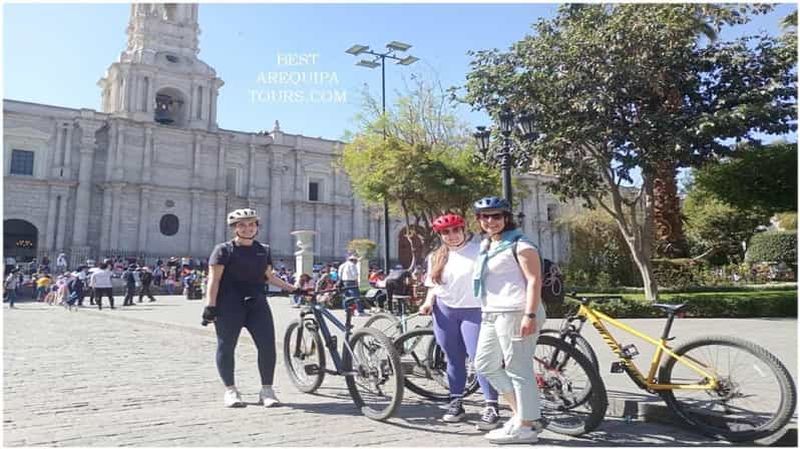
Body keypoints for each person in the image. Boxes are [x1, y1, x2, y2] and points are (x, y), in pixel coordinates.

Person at [203, 208, 299, 408]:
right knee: (226, 346)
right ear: (234, 228)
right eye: (242, 225)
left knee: (267, 346)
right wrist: (210, 306)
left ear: (257, 227)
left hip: (257, 303)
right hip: (229, 304)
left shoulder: (263, 249)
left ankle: (267, 390)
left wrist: (294, 289)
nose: (247, 228)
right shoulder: (223, 250)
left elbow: (269, 277)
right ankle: (231, 390)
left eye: (251, 224)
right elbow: (214, 279)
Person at [471, 196, 548, 444]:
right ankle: (522, 415)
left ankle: (525, 427)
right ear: (479, 219)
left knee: (518, 369)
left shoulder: (521, 244)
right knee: (485, 364)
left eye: (496, 216)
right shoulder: (488, 245)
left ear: (506, 218)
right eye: (485, 216)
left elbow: (535, 281)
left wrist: (530, 314)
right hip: (491, 313)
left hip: (516, 312)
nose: (491, 221)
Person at [418, 213, 501, 429]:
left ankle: (491, 405)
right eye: (446, 232)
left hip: (475, 311)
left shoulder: (481, 250)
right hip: (445, 311)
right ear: (440, 235)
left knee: (480, 358)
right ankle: (456, 401)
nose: (452, 235)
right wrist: (428, 303)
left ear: (464, 230)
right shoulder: (436, 256)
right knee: (453, 358)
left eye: (456, 230)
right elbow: (433, 285)